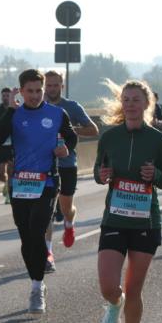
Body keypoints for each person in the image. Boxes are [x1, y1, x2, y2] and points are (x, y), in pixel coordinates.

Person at [93, 80, 162, 323]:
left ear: (146, 103)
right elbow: (97, 171)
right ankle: (115, 304)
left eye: (136, 99)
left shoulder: (158, 140)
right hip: (114, 219)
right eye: (126, 99)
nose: (130, 104)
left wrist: (156, 176)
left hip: (145, 223)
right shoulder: (109, 137)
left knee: (135, 287)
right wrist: (103, 175)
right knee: (108, 286)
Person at [0, 70, 76, 313]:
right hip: (20, 184)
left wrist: (64, 149)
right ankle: (36, 280)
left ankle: (37, 287)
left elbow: (71, 138)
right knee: (26, 237)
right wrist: (10, 108)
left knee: (38, 231)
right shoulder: (15, 115)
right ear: (21, 91)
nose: (35, 95)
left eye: (39, 90)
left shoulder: (57, 114)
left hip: (47, 182)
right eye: (30, 91)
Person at [43, 70, 97, 252]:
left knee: (66, 208)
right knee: (46, 212)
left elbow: (93, 130)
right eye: (48, 85)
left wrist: (70, 130)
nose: (51, 89)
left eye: (55, 85)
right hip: (42, 165)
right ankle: (47, 252)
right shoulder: (37, 106)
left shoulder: (72, 107)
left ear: (62, 86)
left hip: (66, 164)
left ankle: (69, 222)